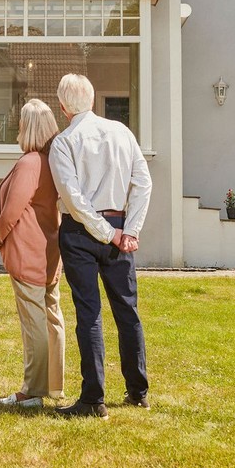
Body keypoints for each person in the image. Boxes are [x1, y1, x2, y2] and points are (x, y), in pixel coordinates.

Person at [47, 73, 152, 420]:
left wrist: (112, 233)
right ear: (91, 100)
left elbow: (73, 201)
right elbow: (143, 182)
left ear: (63, 107)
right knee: (127, 310)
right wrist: (128, 230)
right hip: (119, 227)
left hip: (82, 232)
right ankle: (138, 392)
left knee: (89, 313)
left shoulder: (63, 143)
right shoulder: (122, 132)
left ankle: (94, 399)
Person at [0, 98, 65, 408]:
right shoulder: (52, 162)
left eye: (20, 122)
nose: (17, 126)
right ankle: (54, 387)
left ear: (29, 128)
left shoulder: (30, 163)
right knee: (52, 319)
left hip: (28, 252)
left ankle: (32, 391)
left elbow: (12, 210)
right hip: (49, 251)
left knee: (34, 322)